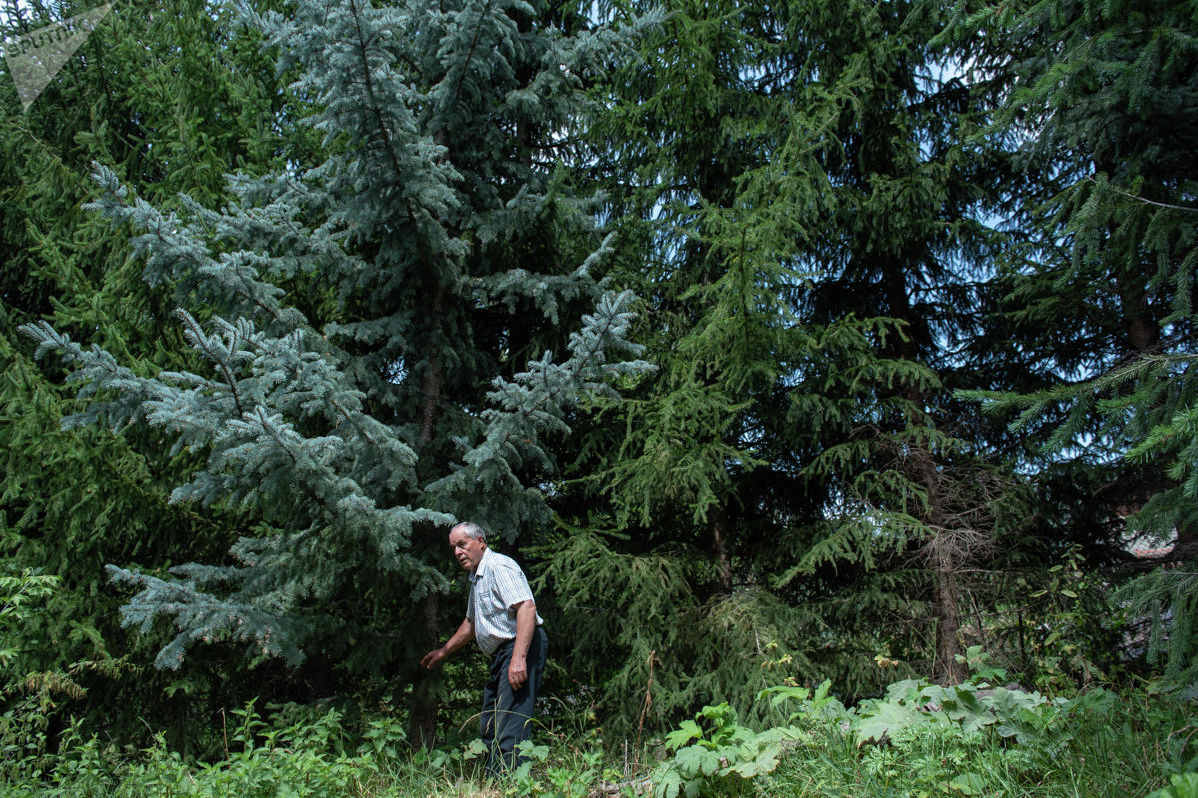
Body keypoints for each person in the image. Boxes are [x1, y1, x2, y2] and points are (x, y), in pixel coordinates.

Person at [420, 521, 548, 773]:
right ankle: (495, 780)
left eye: (462, 545)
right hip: (503, 654)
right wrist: (444, 651)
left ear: (480, 542)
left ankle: (511, 784)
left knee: (511, 724)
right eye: (454, 548)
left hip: (520, 646)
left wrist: (519, 659)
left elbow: (526, 608)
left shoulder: (498, 566)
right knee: (490, 724)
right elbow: (471, 622)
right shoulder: (478, 576)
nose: (457, 552)